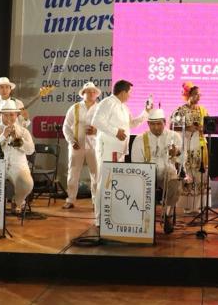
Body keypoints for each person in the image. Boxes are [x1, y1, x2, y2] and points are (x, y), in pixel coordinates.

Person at [91, 79, 151, 224]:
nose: (130, 95)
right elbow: (96, 121)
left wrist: (146, 113)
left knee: (114, 183)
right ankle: (100, 219)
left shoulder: (123, 107)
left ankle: (111, 214)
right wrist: (115, 131)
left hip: (120, 150)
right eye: (129, 92)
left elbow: (132, 124)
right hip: (109, 149)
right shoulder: (108, 102)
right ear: (123, 92)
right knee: (104, 182)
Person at [131, 109, 182, 233]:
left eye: (159, 124)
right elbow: (136, 163)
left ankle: (168, 215)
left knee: (175, 183)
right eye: (152, 124)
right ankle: (144, 218)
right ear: (148, 124)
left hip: (167, 171)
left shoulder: (174, 136)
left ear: (165, 122)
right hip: (147, 173)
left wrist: (176, 153)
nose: (156, 127)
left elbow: (182, 159)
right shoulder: (140, 139)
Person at [0, 100, 35, 214]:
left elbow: (31, 150)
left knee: (28, 183)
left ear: (17, 115)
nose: (9, 117)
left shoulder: (23, 131)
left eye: (12, 114)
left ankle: (18, 201)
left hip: (18, 165)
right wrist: (3, 136)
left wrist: (19, 141)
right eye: (5, 115)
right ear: (0, 115)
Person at [171, 82, 209, 214]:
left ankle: (198, 205)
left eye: (199, 94)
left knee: (200, 174)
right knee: (187, 173)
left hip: (199, 146)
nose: (198, 97)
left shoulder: (202, 110)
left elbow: (209, 126)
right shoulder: (180, 110)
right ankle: (187, 205)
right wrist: (187, 128)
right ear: (188, 95)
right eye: (195, 94)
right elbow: (171, 126)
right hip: (186, 145)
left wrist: (202, 128)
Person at [61, 81, 101, 210]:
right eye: (88, 91)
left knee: (96, 174)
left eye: (93, 91)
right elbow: (66, 127)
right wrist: (71, 141)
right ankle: (71, 199)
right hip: (76, 145)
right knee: (73, 172)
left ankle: (96, 201)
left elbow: (106, 128)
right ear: (83, 94)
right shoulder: (75, 108)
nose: (91, 93)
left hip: (95, 146)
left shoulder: (100, 108)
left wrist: (97, 131)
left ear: (97, 94)